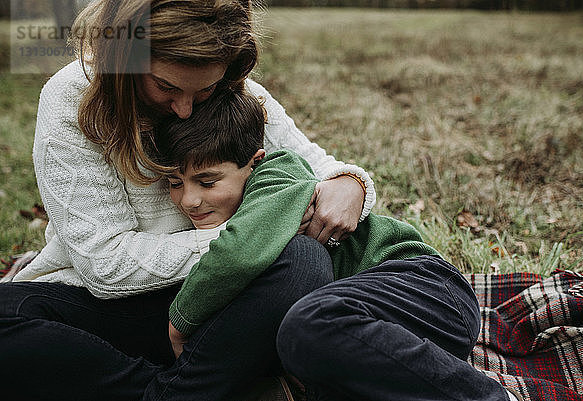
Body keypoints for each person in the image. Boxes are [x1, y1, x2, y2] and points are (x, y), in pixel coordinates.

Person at [0, 1, 373, 400]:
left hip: (226, 305)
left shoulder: (238, 92)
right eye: (167, 87)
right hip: (116, 308)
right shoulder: (72, 98)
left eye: (205, 90)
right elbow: (105, 266)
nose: (184, 109)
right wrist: (255, 235)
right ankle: (214, 388)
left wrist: (351, 184)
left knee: (302, 261)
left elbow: (324, 171)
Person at [154, 87, 522, 401]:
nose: (189, 200)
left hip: (426, 288)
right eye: (175, 184)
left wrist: (180, 320)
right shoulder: (240, 199)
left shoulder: (275, 176)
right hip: (385, 337)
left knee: (310, 325)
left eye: (207, 181)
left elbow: (237, 253)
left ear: (253, 163)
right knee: (308, 350)